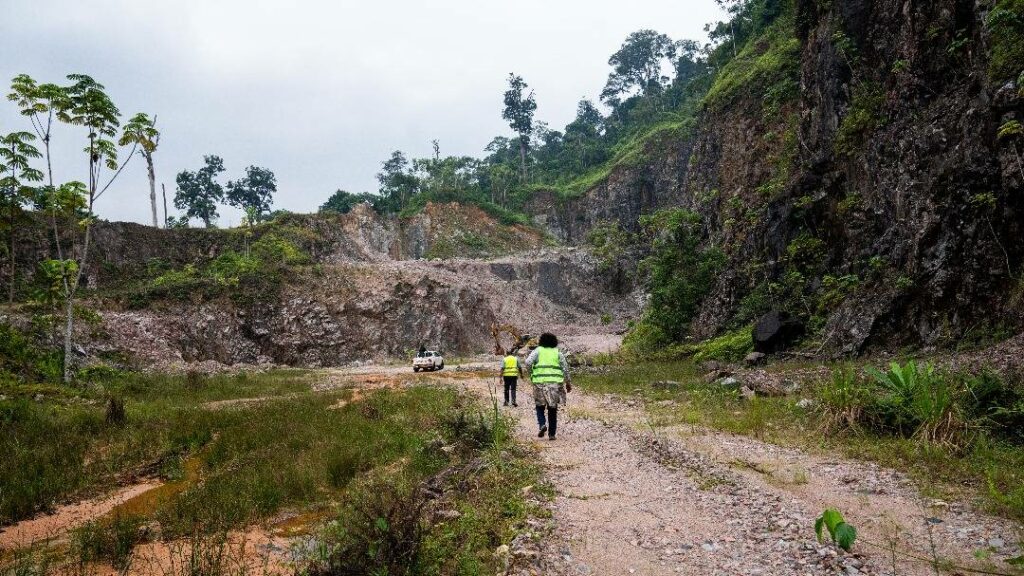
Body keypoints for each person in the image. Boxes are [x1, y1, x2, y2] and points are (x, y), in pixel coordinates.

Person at [524, 332, 572, 441]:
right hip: (555, 384)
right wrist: (568, 383)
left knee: (539, 406)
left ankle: (542, 424)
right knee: (552, 408)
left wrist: (531, 374)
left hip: (539, 382)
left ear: (541, 341)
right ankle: (552, 434)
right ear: (554, 342)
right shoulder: (558, 353)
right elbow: (565, 368)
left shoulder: (537, 351)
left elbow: (527, 362)